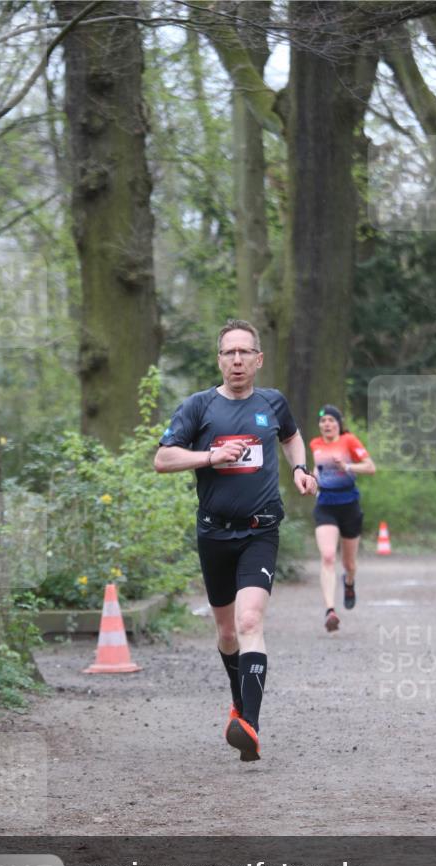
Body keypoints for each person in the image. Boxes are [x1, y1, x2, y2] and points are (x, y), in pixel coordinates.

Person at [154, 320, 317, 762]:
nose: (238, 360)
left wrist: (300, 470)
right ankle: (240, 703)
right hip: (214, 533)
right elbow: (163, 458)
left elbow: (291, 436)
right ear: (219, 360)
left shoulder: (272, 402)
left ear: (259, 359)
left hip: (260, 530)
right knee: (227, 633)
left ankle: (250, 726)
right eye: (230, 353)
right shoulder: (198, 406)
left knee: (249, 621)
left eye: (245, 352)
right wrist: (210, 456)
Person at [310, 405, 375, 632]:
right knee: (328, 556)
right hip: (325, 505)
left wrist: (347, 466)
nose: (326, 424)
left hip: (349, 505)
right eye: (323, 421)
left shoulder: (349, 441)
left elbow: (370, 467)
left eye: (331, 420)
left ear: (339, 423)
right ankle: (330, 610)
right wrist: (312, 479)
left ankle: (349, 582)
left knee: (349, 564)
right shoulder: (315, 444)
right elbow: (319, 470)